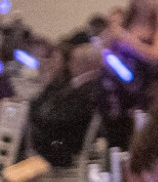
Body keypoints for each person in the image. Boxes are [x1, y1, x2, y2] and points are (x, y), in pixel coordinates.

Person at [28, 40, 108, 168]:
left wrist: (32, 116)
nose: (70, 64)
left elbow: (63, 119)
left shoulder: (89, 89)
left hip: (64, 146)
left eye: (74, 60)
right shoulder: (82, 86)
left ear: (85, 63)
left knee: (21, 132)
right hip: (58, 138)